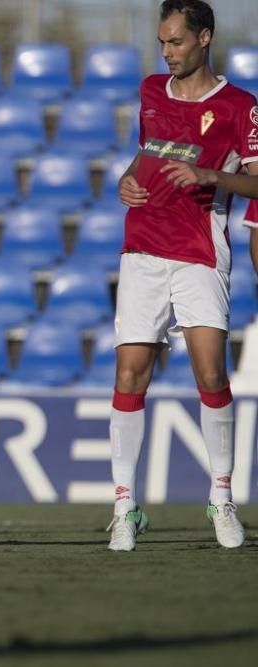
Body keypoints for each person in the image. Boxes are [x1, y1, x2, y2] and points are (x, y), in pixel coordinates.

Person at [108, 0, 258, 551]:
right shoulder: (150, 92)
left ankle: (222, 497)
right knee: (129, 376)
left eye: (175, 42)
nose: (166, 52)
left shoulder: (242, 107)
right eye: (162, 43)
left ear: (204, 38)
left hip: (200, 252)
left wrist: (208, 174)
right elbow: (142, 155)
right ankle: (124, 506)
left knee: (211, 375)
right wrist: (127, 181)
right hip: (142, 249)